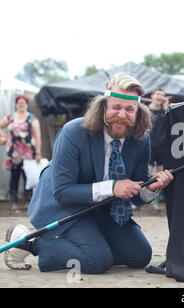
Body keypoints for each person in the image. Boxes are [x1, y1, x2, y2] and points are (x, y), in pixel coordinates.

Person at [4, 73, 173, 272]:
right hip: (64, 206)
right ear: (103, 107)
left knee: (139, 255)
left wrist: (151, 188)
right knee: (96, 260)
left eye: (129, 109)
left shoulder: (141, 139)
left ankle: (93, 245)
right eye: (116, 107)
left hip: (102, 209)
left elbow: (136, 193)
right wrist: (112, 187)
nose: (121, 114)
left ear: (138, 112)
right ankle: (28, 242)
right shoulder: (73, 132)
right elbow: (62, 192)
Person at [0, 95, 42, 205]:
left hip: (28, 153)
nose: (21, 104)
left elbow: (38, 136)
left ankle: (28, 201)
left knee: (28, 176)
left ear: (27, 104)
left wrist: (38, 152)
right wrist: (4, 136)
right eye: (19, 102)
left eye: (23, 102)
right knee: (14, 176)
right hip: (14, 153)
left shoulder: (32, 118)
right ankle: (13, 202)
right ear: (16, 104)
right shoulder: (10, 116)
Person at [148, 88, 168, 211]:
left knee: (161, 175)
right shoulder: (145, 111)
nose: (160, 97)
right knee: (146, 172)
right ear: (152, 96)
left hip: (161, 147)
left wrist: (166, 107)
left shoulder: (164, 112)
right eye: (158, 94)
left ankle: (155, 201)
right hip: (148, 146)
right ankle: (138, 199)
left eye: (162, 95)